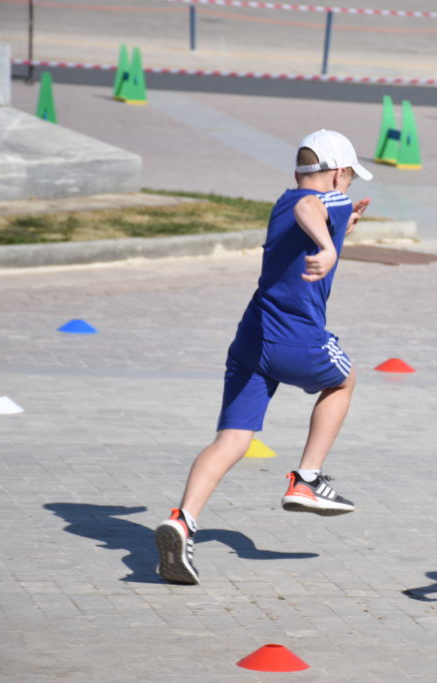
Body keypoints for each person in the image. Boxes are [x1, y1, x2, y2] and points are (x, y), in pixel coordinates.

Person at [154, 129, 373, 585]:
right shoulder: (321, 200)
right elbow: (310, 207)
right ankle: (308, 479)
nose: (348, 189)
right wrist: (331, 246)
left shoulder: (285, 199)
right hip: (294, 338)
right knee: (344, 380)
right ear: (337, 174)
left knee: (232, 439)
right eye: (350, 179)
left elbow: (304, 212)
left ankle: (182, 521)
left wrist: (341, 228)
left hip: (251, 338)